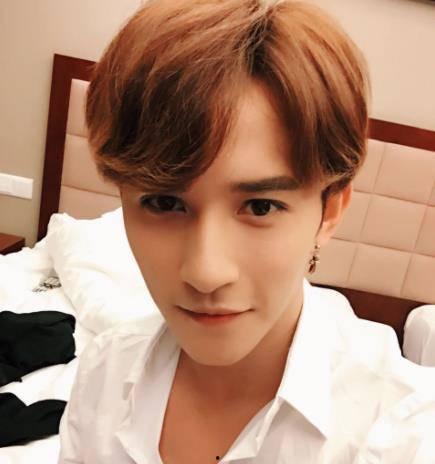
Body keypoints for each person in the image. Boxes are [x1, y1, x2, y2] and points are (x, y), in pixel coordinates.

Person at [58, 0, 435, 463]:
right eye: (164, 203)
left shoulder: (406, 433)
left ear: (330, 210)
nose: (206, 273)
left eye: (260, 207)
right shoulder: (103, 374)